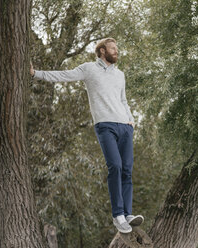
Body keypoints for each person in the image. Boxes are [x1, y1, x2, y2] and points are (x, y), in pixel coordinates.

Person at [30, 38, 144, 233]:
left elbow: (123, 100)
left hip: (125, 126)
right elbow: (64, 75)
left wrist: (131, 120)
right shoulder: (89, 69)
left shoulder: (120, 75)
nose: (116, 52)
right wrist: (35, 74)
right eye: (113, 49)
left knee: (126, 169)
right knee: (115, 166)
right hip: (105, 125)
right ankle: (118, 215)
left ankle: (128, 214)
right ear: (102, 51)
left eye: (117, 49)